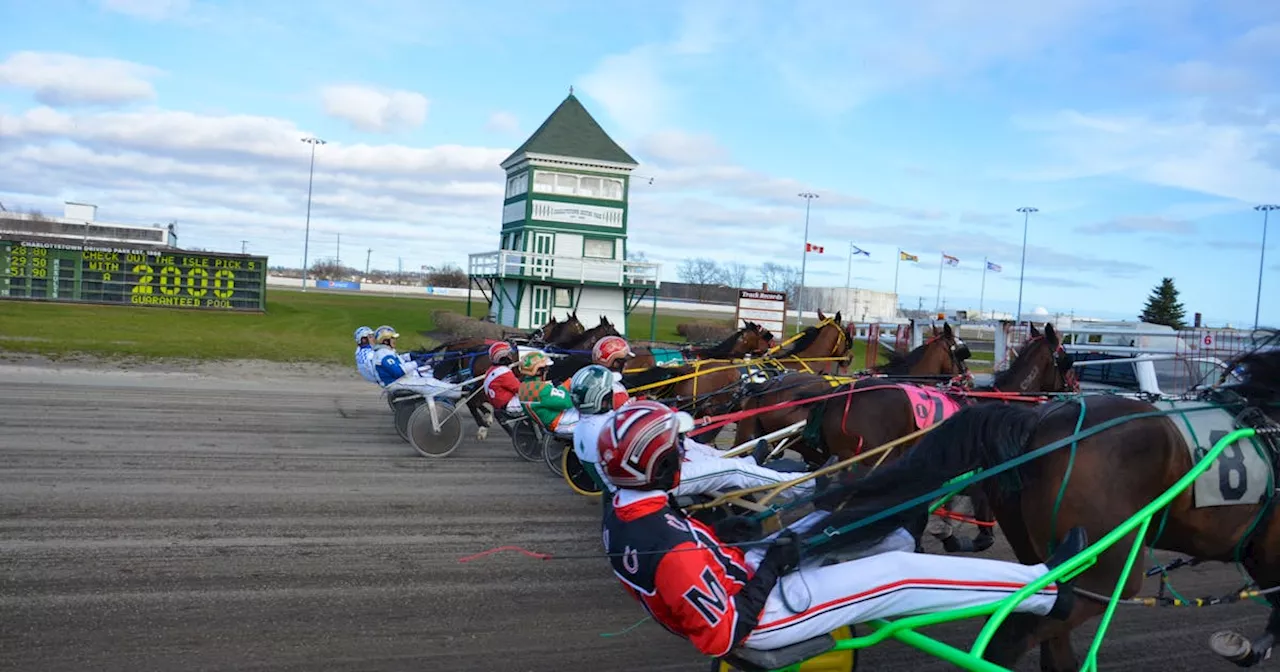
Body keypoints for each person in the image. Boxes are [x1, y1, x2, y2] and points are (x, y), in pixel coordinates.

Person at [597, 400, 1086, 659]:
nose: (685, 454)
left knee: (828, 526)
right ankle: (1044, 589)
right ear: (659, 467)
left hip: (739, 576)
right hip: (762, 618)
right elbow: (723, 635)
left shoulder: (626, 508)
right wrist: (771, 567)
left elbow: (690, 555)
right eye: (677, 450)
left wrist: (730, 532)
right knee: (898, 573)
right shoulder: (664, 545)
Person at [516, 351, 579, 436]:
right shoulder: (541, 389)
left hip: (548, 423)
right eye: (546, 369)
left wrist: (566, 384)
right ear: (538, 371)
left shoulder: (523, 387)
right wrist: (569, 384)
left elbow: (553, 396)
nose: (547, 371)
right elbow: (567, 402)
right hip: (559, 422)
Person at [483, 341, 523, 416]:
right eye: (509, 354)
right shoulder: (504, 372)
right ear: (504, 356)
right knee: (537, 400)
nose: (511, 356)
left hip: (498, 403)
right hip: (509, 405)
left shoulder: (491, 369)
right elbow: (520, 389)